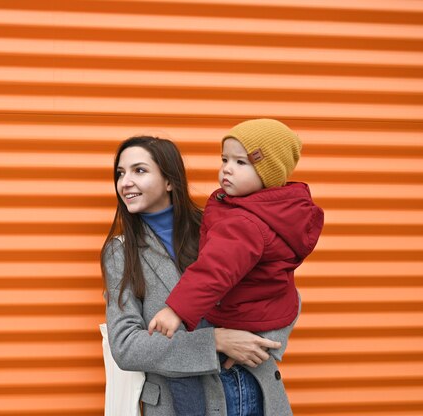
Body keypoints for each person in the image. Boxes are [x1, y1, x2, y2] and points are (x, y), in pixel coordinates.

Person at [101, 135, 297, 416]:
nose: (125, 182)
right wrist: (215, 342)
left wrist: (261, 345)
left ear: (169, 181)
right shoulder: (120, 252)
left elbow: (283, 291)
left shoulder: (222, 226)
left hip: (255, 387)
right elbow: (127, 345)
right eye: (120, 174)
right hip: (182, 403)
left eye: (139, 170)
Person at [148, 119, 324, 416]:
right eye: (225, 159)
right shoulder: (274, 211)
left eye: (241, 162)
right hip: (261, 320)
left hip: (238, 330)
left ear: (269, 175)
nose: (227, 168)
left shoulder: (244, 223)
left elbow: (214, 271)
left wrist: (175, 309)